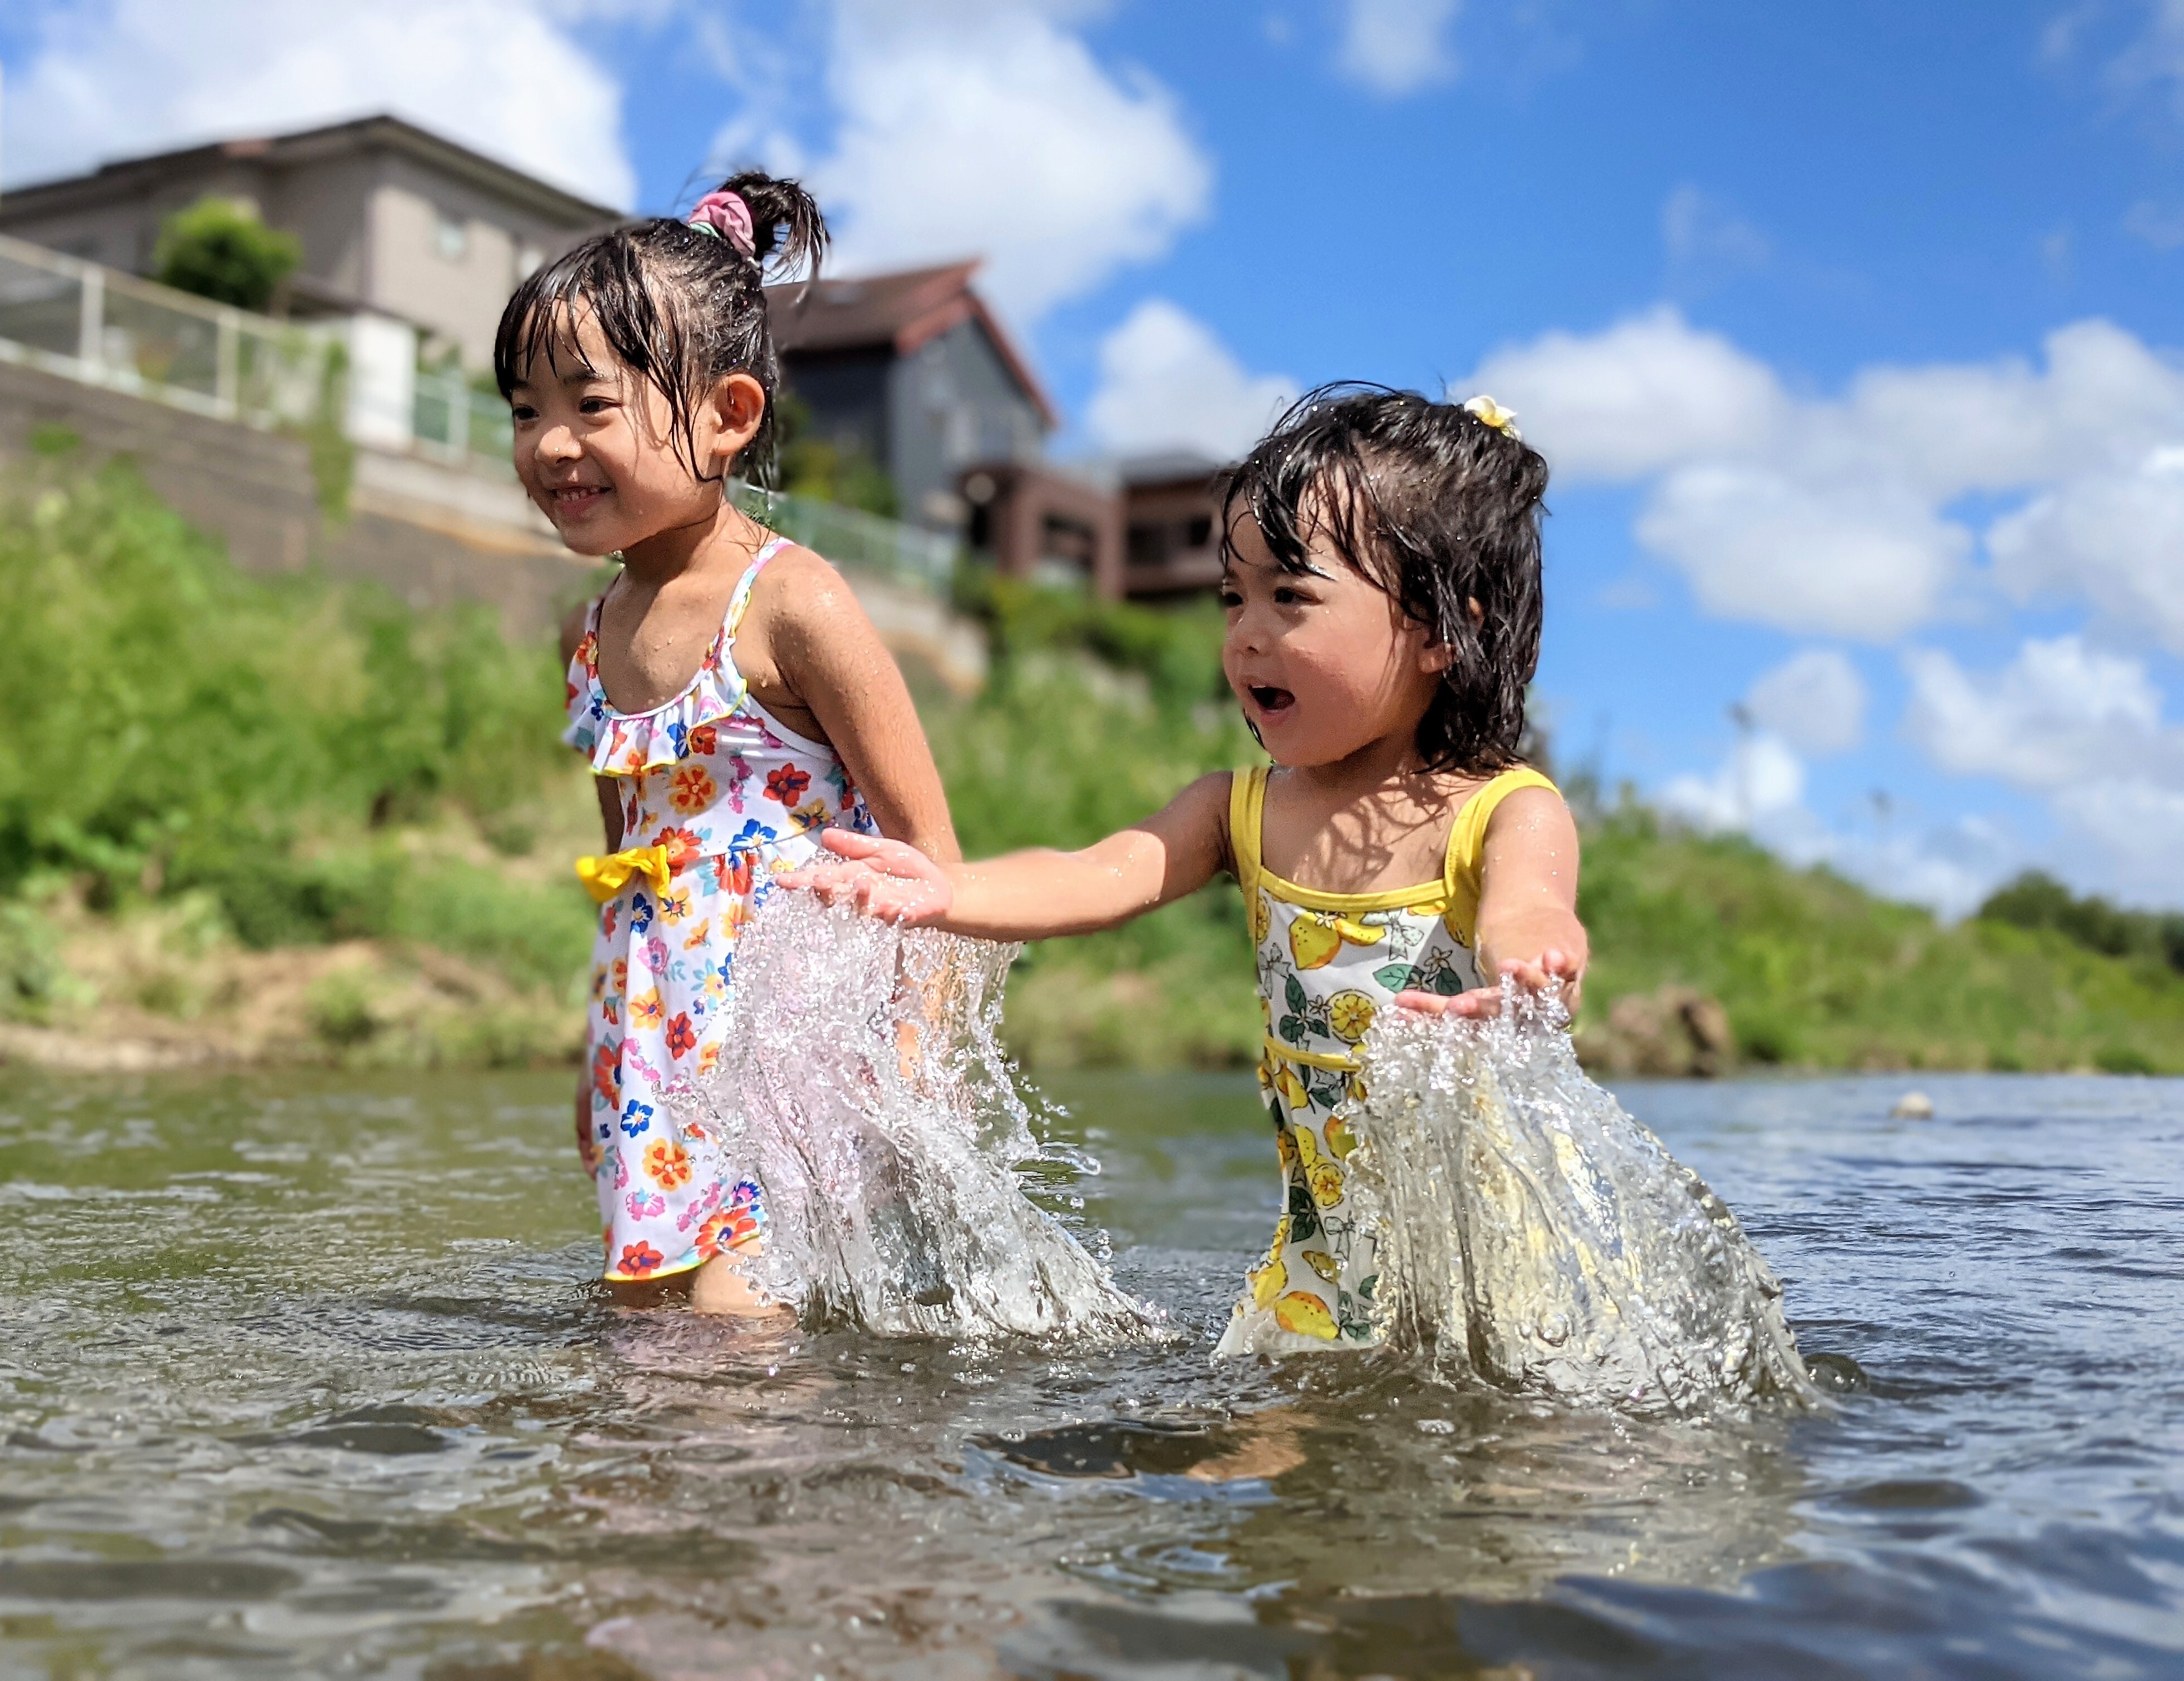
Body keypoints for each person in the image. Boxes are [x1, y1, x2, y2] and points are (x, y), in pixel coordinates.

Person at [789, 385, 1586, 1354]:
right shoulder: (1238, 809)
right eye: (1233, 596)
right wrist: (951, 891)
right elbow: (1101, 871)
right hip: (1318, 1277)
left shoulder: (1505, 808)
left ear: (1437, 631)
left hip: (1494, 1270)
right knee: (1259, 1445)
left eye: (1290, 596)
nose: (1245, 633)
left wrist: (1531, 969)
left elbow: (1531, 910)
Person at [496, 173, 958, 1308]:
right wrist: (600, 1056)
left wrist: (909, 1063)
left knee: (733, 1333)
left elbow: (928, 854)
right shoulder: (587, 634)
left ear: (728, 415)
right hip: (653, 1052)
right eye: (523, 410)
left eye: (590, 404)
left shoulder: (793, 603)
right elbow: (627, 867)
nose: (551, 444)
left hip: (797, 1045)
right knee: (644, 1333)